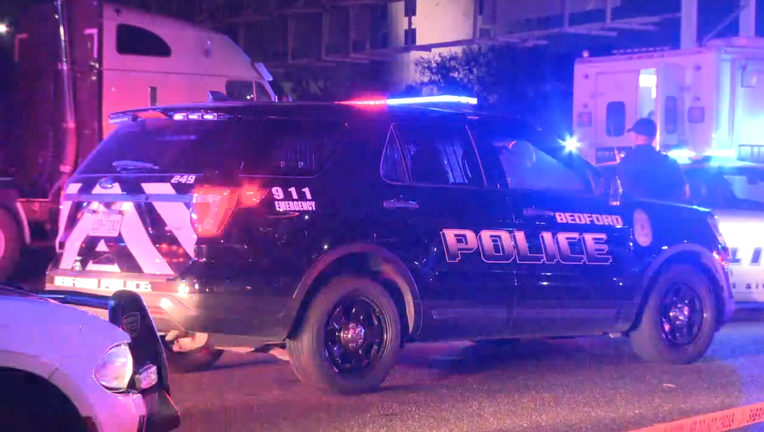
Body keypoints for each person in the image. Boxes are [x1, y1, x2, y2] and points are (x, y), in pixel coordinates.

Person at [616, 118, 689, 202]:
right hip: (663, 209)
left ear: (635, 136)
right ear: (654, 137)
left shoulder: (625, 162)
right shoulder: (670, 162)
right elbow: (684, 193)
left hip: (634, 209)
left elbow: (621, 189)